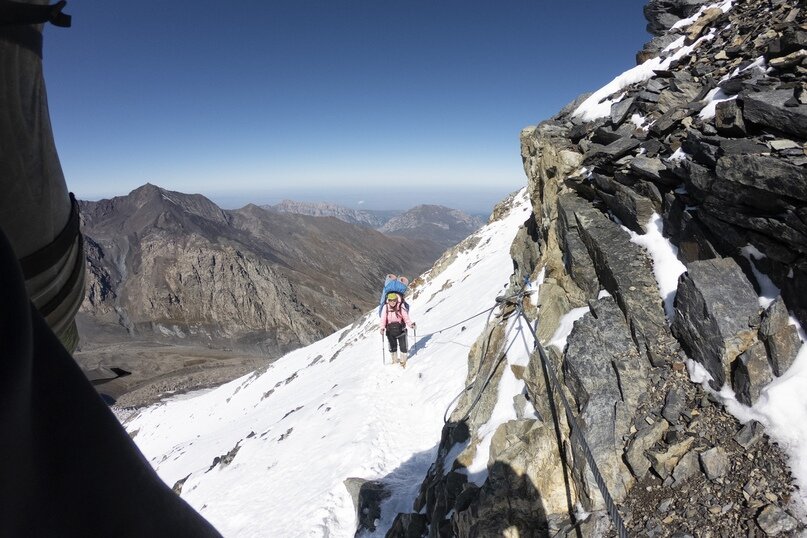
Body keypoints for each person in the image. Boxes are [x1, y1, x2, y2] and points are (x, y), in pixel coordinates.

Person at [379, 292, 415, 367]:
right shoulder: (385, 307)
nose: (393, 302)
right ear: (388, 300)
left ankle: (403, 361)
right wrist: (382, 328)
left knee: (403, 346)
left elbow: (406, 317)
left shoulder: (401, 306)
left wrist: (411, 325)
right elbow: (383, 319)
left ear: (396, 299)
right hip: (390, 330)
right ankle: (394, 361)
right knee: (392, 347)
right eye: (390, 300)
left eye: (394, 300)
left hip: (401, 329)